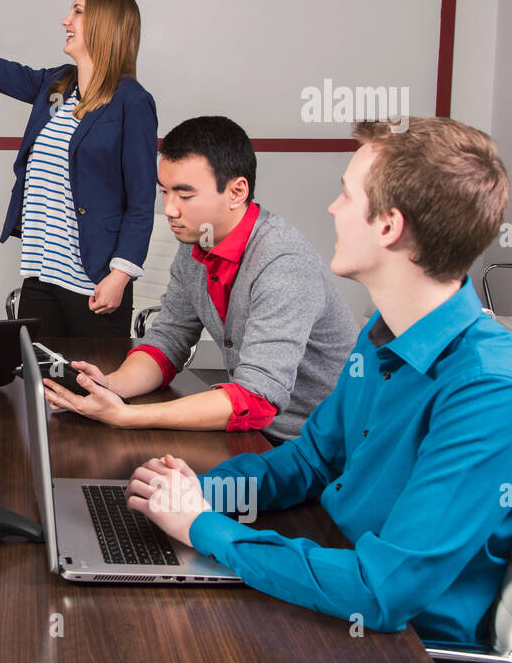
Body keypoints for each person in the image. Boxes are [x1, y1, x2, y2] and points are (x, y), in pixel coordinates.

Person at [124, 115, 512, 661]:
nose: (332, 209)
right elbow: (307, 464)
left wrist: (204, 528)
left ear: (388, 226)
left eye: (346, 195)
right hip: (332, 573)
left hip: (403, 652)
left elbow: (382, 591)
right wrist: (198, 493)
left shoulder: (490, 391)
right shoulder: (382, 337)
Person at [42, 115, 356, 444]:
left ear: (236, 192)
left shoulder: (284, 263)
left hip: (319, 448)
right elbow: (168, 341)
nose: (169, 210)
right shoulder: (200, 242)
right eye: (163, 192)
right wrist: (111, 387)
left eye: (185, 195)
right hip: (260, 435)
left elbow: (256, 401)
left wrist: (126, 416)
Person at [0, 0, 157, 338]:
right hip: (40, 274)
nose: (66, 20)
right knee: (38, 385)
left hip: (95, 284)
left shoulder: (132, 101)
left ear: (105, 24)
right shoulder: (55, 84)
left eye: (78, 11)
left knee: (93, 389)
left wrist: (121, 275)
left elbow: (142, 201)